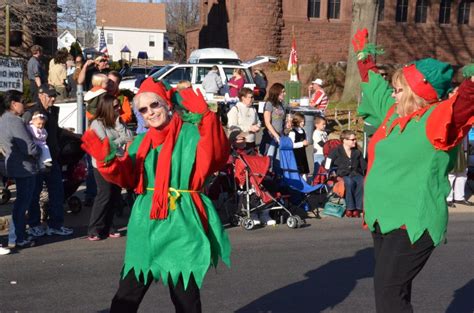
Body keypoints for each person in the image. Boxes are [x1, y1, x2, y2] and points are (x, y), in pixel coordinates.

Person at [81, 77, 231, 312]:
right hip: (146, 222)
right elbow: (128, 177)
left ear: (167, 105)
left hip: (182, 221)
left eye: (154, 105)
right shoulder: (139, 142)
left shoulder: (193, 135)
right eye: (143, 109)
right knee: (126, 296)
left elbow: (216, 155)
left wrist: (208, 120)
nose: (150, 112)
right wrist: (106, 162)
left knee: (186, 301)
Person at [353, 28, 474, 312]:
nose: (393, 95)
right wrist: (363, 58)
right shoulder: (393, 113)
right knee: (391, 292)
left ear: (418, 92)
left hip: (412, 221)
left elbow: (464, 106)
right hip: (384, 217)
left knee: (389, 294)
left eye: (399, 90)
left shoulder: (436, 117)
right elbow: (373, 84)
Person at [23, 84, 74, 237]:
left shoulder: (53, 111)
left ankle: (56, 225)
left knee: (57, 192)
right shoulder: (31, 113)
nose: (53, 98)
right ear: (40, 95)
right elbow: (23, 134)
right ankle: (33, 224)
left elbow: (55, 130)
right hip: (36, 161)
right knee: (34, 193)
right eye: (50, 95)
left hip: (52, 159)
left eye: (54, 95)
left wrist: (71, 135)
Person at [88, 95, 133, 241]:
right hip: (102, 163)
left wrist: (119, 126)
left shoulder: (118, 120)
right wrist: (121, 139)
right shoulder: (97, 123)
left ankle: (109, 226)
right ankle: (95, 229)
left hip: (117, 161)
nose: (119, 108)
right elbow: (106, 144)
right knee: (104, 194)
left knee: (115, 194)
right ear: (106, 107)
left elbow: (130, 137)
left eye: (118, 105)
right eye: (115, 106)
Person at [0, 90, 41, 248]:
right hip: (24, 166)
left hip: (14, 163)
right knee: (23, 203)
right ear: (13, 104)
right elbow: (29, 148)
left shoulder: (3, 119)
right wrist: (39, 151)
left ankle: (15, 236)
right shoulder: (15, 121)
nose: (24, 104)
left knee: (21, 202)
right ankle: (18, 237)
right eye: (21, 101)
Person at [326, 130, 366, 218]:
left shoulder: (357, 152)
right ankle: (350, 208)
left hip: (355, 173)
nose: (355, 141)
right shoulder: (336, 151)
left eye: (355, 139)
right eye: (352, 139)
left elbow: (364, 166)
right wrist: (331, 172)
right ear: (344, 140)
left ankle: (357, 208)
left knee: (362, 181)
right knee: (349, 182)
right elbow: (327, 163)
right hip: (342, 175)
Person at [259, 83, 286, 166]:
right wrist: (276, 136)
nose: (285, 94)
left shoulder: (282, 104)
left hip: (280, 135)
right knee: (269, 160)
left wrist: (286, 126)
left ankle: (277, 177)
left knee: (278, 160)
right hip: (271, 137)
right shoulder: (269, 104)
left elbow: (282, 121)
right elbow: (267, 123)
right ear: (277, 92)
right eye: (283, 92)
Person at [227, 87, 260, 153]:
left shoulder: (253, 109)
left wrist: (257, 127)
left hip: (252, 142)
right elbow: (232, 126)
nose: (252, 99)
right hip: (239, 143)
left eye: (252, 97)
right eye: (249, 97)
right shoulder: (235, 109)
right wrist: (249, 128)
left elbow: (258, 121)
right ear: (243, 98)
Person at [288, 113, 309, 179]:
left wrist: (306, 143)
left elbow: (306, 141)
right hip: (295, 156)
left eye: (303, 121)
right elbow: (291, 145)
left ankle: (305, 185)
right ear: (296, 121)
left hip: (302, 155)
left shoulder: (303, 131)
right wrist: (302, 143)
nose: (303, 123)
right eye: (301, 121)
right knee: (297, 172)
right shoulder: (292, 132)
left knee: (304, 172)